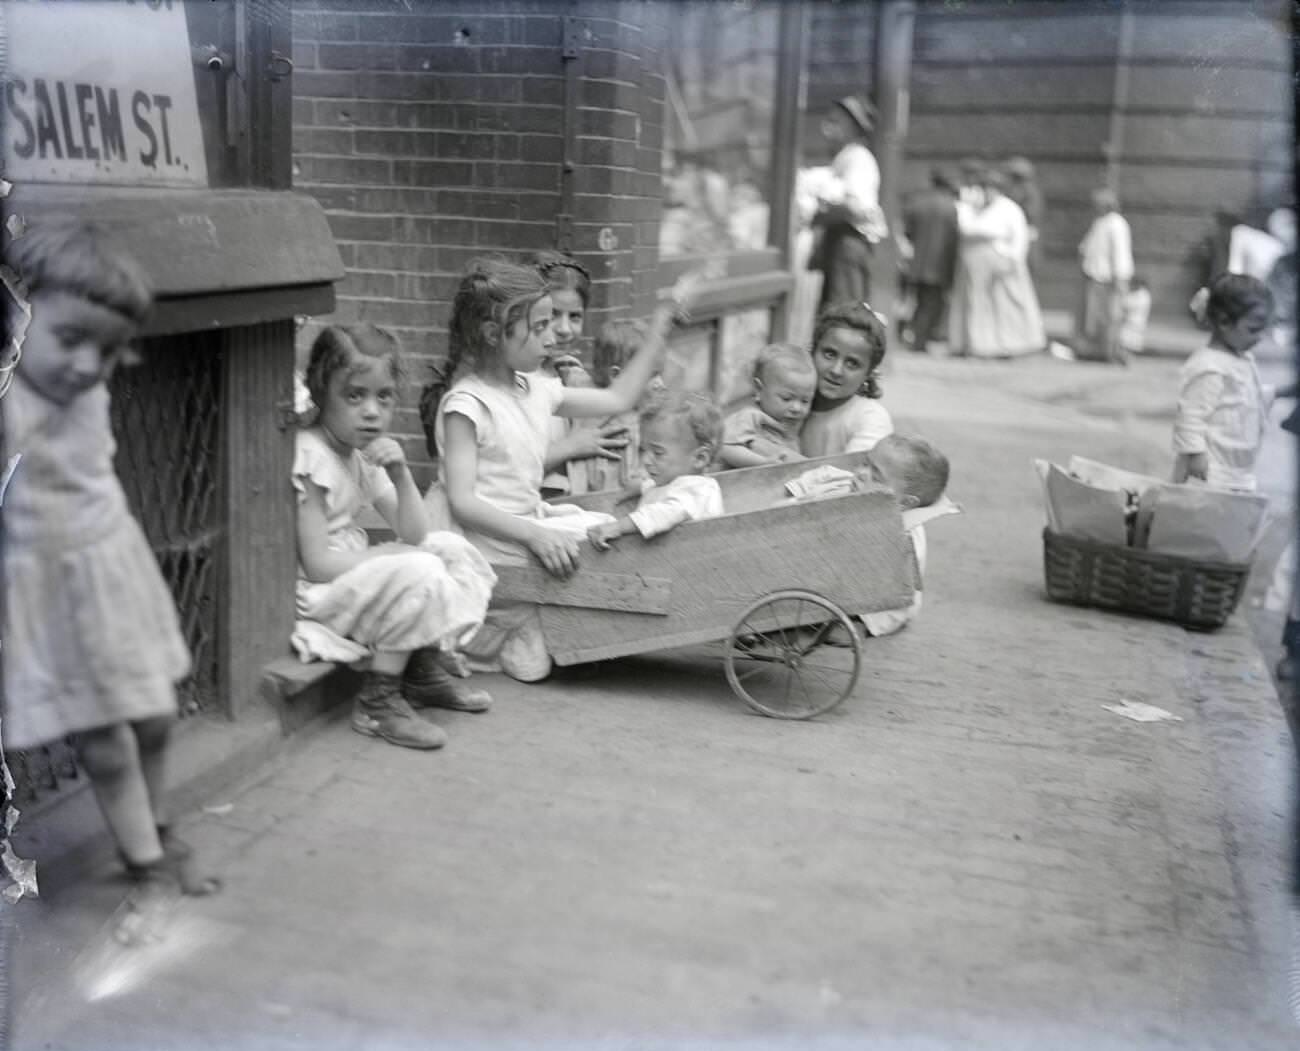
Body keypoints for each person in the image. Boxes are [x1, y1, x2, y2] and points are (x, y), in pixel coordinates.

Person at [1, 221, 220, 912]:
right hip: (47, 586)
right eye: (71, 339)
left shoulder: (82, 385)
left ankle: (152, 833)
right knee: (107, 735)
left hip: (108, 564)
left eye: (107, 347)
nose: (88, 363)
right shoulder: (11, 407)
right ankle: (146, 861)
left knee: (152, 715)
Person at [427, 259, 700, 681]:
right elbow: (463, 502)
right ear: (493, 334)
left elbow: (618, 399)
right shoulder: (468, 404)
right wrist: (536, 535)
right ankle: (494, 626)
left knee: (606, 529)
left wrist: (660, 328)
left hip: (524, 525)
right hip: (487, 539)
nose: (552, 335)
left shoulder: (536, 387)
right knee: (591, 561)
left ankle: (525, 625)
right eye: (539, 327)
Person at [294, 324, 497, 751]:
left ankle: (419, 669)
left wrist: (401, 475)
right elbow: (315, 564)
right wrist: (389, 554)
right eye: (355, 396)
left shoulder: (361, 452)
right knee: (420, 565)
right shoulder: (309, 454)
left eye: (383, 397)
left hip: (355, 573)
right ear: (318, 391)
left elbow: (417, 533)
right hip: (318, 591)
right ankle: (378, 700)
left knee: (451, 548)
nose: (371, 411)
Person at [783, 434, 952, 638]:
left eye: (876, 475)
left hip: (880, 598)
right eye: (865, 463)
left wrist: (867, 622)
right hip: (833, 573)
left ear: (905, 503)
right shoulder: (849, 485)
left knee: (888, 599)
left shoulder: (904, 538)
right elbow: (813, 493)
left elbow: (905, 594)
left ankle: (860, 622)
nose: (862, 473)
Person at [1172, 273, 1296, 491]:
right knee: (1203, 520)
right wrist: (1195, 454)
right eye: (1253, 329)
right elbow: (1190, 415)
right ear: (1223, 321)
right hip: (1210, 471)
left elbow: (1244, 398)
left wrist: (1281, 392)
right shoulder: (1210, 367)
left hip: (1237, 468)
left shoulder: (1241, 358)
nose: (1260, 337)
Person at [529, 251, 631, 498]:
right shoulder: (519, 380)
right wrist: (572, 446)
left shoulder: (566, 373)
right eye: (553, 315)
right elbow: (501, 471)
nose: (565, 329)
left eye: (574, 316)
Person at [587, 391, 724, 550]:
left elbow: (664, 513)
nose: (645, 460)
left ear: (700, 458)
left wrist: (618, 527)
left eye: (658, 453)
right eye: (644, 450)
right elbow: (664, 491)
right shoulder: (674, 482)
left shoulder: (699, 490)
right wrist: (641, 486)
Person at [948, 168, 1046, 359]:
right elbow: (966, 227)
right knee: (977, 305)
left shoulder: (1009, 208)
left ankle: (1010, 344)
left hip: (1001, 261)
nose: (987, 193)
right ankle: (978, 344)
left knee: (1006, 307)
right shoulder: (977, 208)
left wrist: (1013, 260)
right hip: (977, 263)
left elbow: (1019, 237)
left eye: (990, 188)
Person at [808, 96, 888, 309]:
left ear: (853, 127)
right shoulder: (844, 157)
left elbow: (855, 207)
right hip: (839, 241)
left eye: (837, 121)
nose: (829, 127)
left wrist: (818, 214)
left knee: (843, 312)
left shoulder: (858, 158)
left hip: (849, 243)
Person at [800, 301, 894, 458]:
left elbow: (850, 476)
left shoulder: (870, 418)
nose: (836, 370)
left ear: (869, 373)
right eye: (829, 354)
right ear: (812, 351)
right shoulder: (790, 401)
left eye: (852, 364)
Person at [719, 343, 816, 468]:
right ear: (759, 389)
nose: (797, 408)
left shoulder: (790, 427)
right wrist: (761, 463)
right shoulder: (749, 417)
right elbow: (725, 448)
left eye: (805, 401)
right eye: (787, 398)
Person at [900, 167, 960, 354]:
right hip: (939, 265)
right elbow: (953, 239)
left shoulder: (917, 203)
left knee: (918, 302)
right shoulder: (950, 207)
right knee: (931, 304)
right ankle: (920, 341)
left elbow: (907, 232)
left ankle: (915, 337)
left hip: (916, 264)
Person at [1075, 188, 1135, 364]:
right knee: (1094, 317)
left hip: (1109, 278)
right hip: (1095, 275)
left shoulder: (1117, 224)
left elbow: (1119, 253)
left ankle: (1112, 351)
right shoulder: (1100, 222)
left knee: (1110, 317)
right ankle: (1096, 351)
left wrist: (1119, 277)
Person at [1004, 157, 1045, 274]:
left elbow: (1032, 213)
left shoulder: (1027, 190)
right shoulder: (1019, 189)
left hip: (1026, 229)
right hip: (1021, 229)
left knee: (1026, 261)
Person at [1118, 275, 1152, 357]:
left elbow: (1127, 304)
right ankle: (1124, 356)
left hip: (1134, 321)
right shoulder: (1140, 294)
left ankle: (1126, 357)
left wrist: (1123, 296)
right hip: (1133, 321)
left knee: (1129, 341)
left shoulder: (1142, 295)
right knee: (1126, 342)